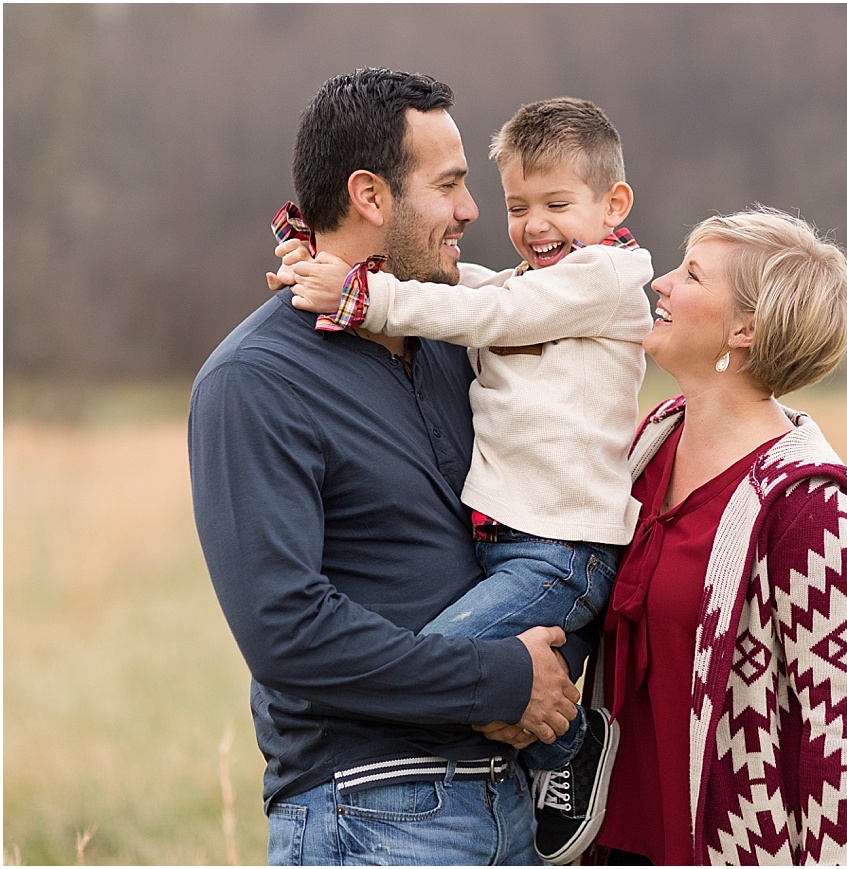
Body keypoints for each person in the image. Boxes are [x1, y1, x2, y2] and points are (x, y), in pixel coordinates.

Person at [189, 68, 584, 866]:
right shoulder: (255, 380)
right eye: (449, 185)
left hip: (512, 806)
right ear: (370, 196)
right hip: (368, 811)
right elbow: (286, 630)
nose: (472, 210)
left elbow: (546, 522)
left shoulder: (459, 346)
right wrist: (501, 680)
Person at [270, 96, 652, 864]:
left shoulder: (608, 276)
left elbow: (489, 314)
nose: (533, 224)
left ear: (614, 205)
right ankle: (540, 738)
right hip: (512, 543)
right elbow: (482, 291)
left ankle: (571, 741)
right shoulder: (534, 285)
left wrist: (362, 296)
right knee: (464, 673)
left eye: (556, 205)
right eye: (518, 206)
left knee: (441, 660)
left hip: (561, 550)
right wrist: (341, 267)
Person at [580, 206, 847, 864]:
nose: (660, 282)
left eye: (691, 274)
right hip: (602, 841)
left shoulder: (810, 511)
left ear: (746, 328)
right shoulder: (647, 447)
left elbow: (841, 738)